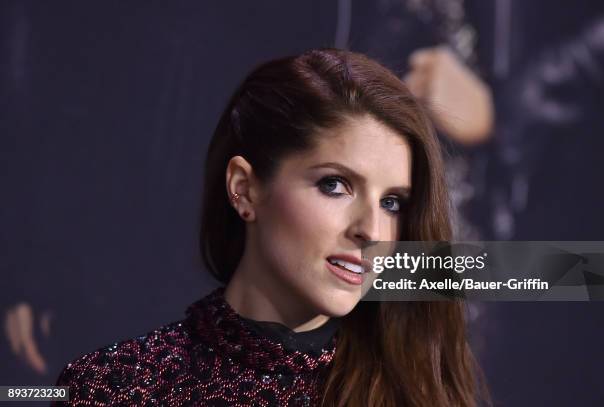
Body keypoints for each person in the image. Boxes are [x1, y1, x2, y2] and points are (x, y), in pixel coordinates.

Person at [52, 48, 487, 406]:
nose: (371, 229)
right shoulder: (111, 389)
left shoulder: (421, 392)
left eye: (392, 202)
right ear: (245, 189)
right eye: (335, 185)